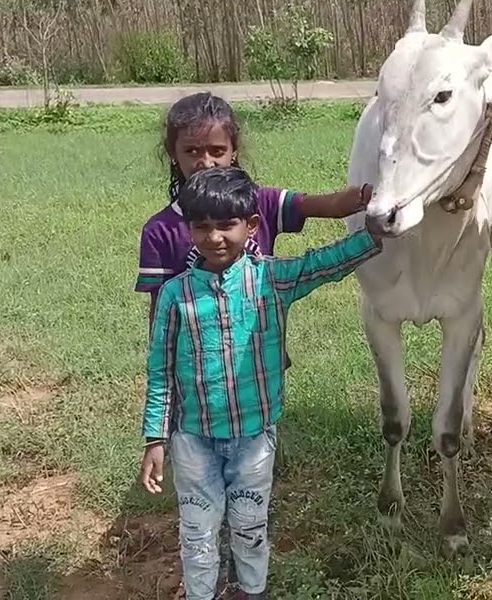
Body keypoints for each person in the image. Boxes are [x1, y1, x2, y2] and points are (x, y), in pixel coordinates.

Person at [138, 166, 380, 600]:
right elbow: (160, 369)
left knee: (250, 528)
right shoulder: (176, 295)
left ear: (251, 226)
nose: (214, 238)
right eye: (202, 227)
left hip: (254, 438)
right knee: (197, 535)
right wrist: (155, 437)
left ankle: (252, 592)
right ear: (189, 230)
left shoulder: (272, 278)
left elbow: (323, 264)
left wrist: (374, 236)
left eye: (226, 225)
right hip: (193, 441)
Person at [136, 91, 369, 325]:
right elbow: (160, 313)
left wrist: (365, 197)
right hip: (198, 354)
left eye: (217, 151)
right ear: (173, 153)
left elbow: (326, 206)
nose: (206, 162)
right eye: (192, 151)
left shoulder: (261, 202)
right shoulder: (160, 231)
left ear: (233, 150)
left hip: (257, 345)